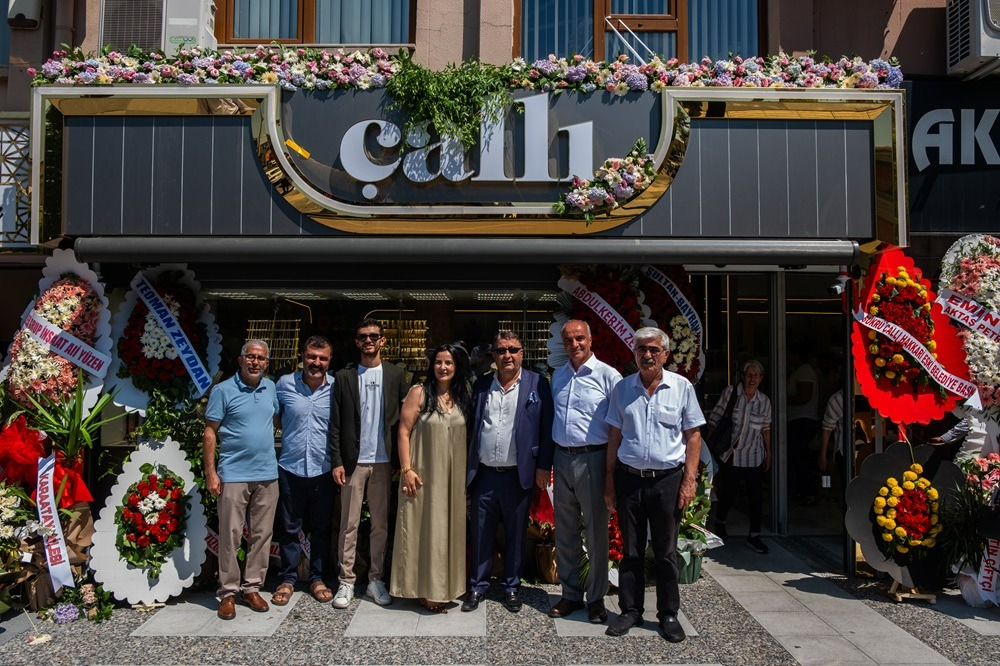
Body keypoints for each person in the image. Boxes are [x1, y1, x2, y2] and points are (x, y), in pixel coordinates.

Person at [603, 327, 705, 643]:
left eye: (653, 350)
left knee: (665, 551)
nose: (647, 355)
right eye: (642, 349)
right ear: (634, 353)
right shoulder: (623, 389)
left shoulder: (682, 387)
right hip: (629, 479)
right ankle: (631, 610)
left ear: (666, 354)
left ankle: (668, 614)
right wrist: (609, 480)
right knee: (631, 550)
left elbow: (693, 436)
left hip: (667, 482)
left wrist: (689, 481)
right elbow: (614, 436)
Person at [463, 330, 554, 613]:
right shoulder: (482, 384)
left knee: (516, 534)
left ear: (522, 353)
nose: (507, 355)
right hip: (484, 474)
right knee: (481, 532)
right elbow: (471, 426)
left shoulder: (538, 383)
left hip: (518, 474)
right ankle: (478, 585)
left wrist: (543, 466)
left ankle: (512, 586)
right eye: (501, 350)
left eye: (513, 349)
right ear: (493, 355)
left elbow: (547, 427)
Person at [330, 318, 409, 609]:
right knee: (348, 525)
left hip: (384, 461)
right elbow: (335, 423)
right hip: (353, 462)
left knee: (380, 525)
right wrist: (337, 460)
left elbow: (405, 421)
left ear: (382, 340)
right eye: (363, 336)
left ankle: (376, 579)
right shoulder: (344, 376)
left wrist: (402, 459)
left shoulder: (396, 374)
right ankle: (346, 581)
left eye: (374, 336)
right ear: (356, 341)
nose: (368, 341)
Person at [547, 320, 621, 623]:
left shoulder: (608, 376)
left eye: (579, 338)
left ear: (590, 340)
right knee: (565, 531)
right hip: (562, 457)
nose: (574, 344)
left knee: (595, 533)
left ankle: (597, 598)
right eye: (568, 340)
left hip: (594, 459)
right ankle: (570, 594)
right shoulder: (558, 375)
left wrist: (611, 472)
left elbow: (617, 426)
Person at [391, 343, 471, 612]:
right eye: (438, 362)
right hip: (422, 474)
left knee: (449, 529)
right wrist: (406, 470)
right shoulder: (419, 393)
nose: (443, 367)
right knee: (424, 528)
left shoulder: (462, 395)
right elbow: (403, 431)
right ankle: (423, 588)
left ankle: (446, 586)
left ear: (456, 366)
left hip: (453, 478)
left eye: (448, 362)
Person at [203, 339, 280, 620]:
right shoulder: (223, 390)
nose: (255, 362)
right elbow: (210, 431)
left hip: (267, 474)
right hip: (234, 474)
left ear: (266, 363)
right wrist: (211, 473)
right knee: (231, 535)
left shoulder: (271, 388)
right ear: (240, 360)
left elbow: (278, 420)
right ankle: (227, 592)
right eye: (251, 356)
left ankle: (252, 588)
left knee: (262, 535)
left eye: (261, 358)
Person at [271, 336, 336, 607]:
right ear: (302, 356)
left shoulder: (336, 387)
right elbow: (276, 419)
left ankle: (317, 578)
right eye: (311, 357)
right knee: (289, 527)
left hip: (324, 468)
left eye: (322, 358)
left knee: (321, 528)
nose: (316, 363)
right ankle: (287, 579)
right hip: (291, 466)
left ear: (329, 361)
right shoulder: (284, 384)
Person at [706, 360, 772, 554]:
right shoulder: (731, 393)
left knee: (756, 497)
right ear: (743, 376)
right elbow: (715, 418)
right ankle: (720, 523)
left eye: (756, 376)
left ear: (761, 379)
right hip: (731, 454)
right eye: (749, 375)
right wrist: (707, 447)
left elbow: (766, 428)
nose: (752, 379)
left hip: (754, 455)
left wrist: (769, 452)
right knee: (729, 492)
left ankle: (754, 535)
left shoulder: (763, 401)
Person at [786, 346, 820, 504]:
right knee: (797, 456)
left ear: (796, 355)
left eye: (789, 355)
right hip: (797, 420)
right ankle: (801, 491)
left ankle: (809, 491)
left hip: (803, 420)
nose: (787, 358)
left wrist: (781, 400)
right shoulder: (797, 371)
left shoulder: (805, 371)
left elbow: (805, 396)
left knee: (799, 457)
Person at [818, 388, 846, 479]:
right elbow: (827, 428)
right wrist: (823, 456)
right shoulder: (838, 399)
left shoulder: (876, 393)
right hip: (844, 452)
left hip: (870, 449)